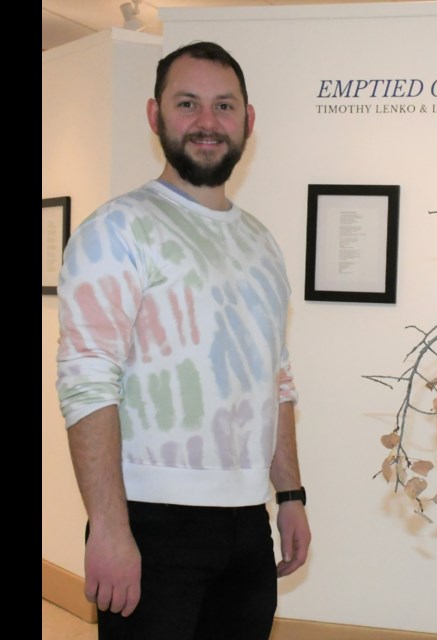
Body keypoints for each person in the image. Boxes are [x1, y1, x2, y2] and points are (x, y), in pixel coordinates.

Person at [56, 41, 310, 639]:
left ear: (248, 121)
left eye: (224, 106)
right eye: (187, 103)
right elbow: (87, 381)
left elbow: (277, 379)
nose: (206, 122)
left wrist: (290, 495)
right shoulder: (118, 230)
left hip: (246, 523)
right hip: (149, 523)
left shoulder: (261, 244)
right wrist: (110, 528)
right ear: (155, 115)